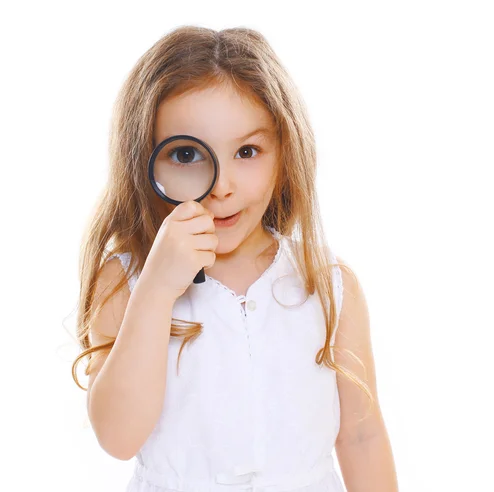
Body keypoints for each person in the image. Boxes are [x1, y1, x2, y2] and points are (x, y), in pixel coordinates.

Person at [72, 25, 398, 492]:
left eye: (247, 151)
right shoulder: (125, 280)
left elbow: (362, 437)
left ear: (283, 155)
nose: (221, 186)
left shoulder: (328, 283)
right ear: (146, 162)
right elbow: (118, 437)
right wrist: (157, 289)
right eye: (187, 154)